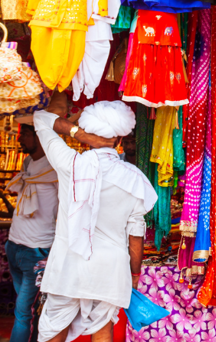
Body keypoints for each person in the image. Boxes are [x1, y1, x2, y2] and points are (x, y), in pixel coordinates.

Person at [32, 101, 158, 342]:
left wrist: (78, 133)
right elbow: (135, 235)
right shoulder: (135, 179)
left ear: (87, 136)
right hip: (110, 268)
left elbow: (40, 118)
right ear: (120, 140)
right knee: (102, 329)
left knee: (53, 329)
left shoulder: (71, 164)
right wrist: (133, 273)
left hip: (68, 265)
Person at [5, 123, 58, 342]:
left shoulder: (55, 169)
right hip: (15, 246)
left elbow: (66, 209)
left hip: (36, 250)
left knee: (22, 311)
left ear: (40, 136)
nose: (20, 139)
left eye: (25, 134)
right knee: (28, 305)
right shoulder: (27, 163)